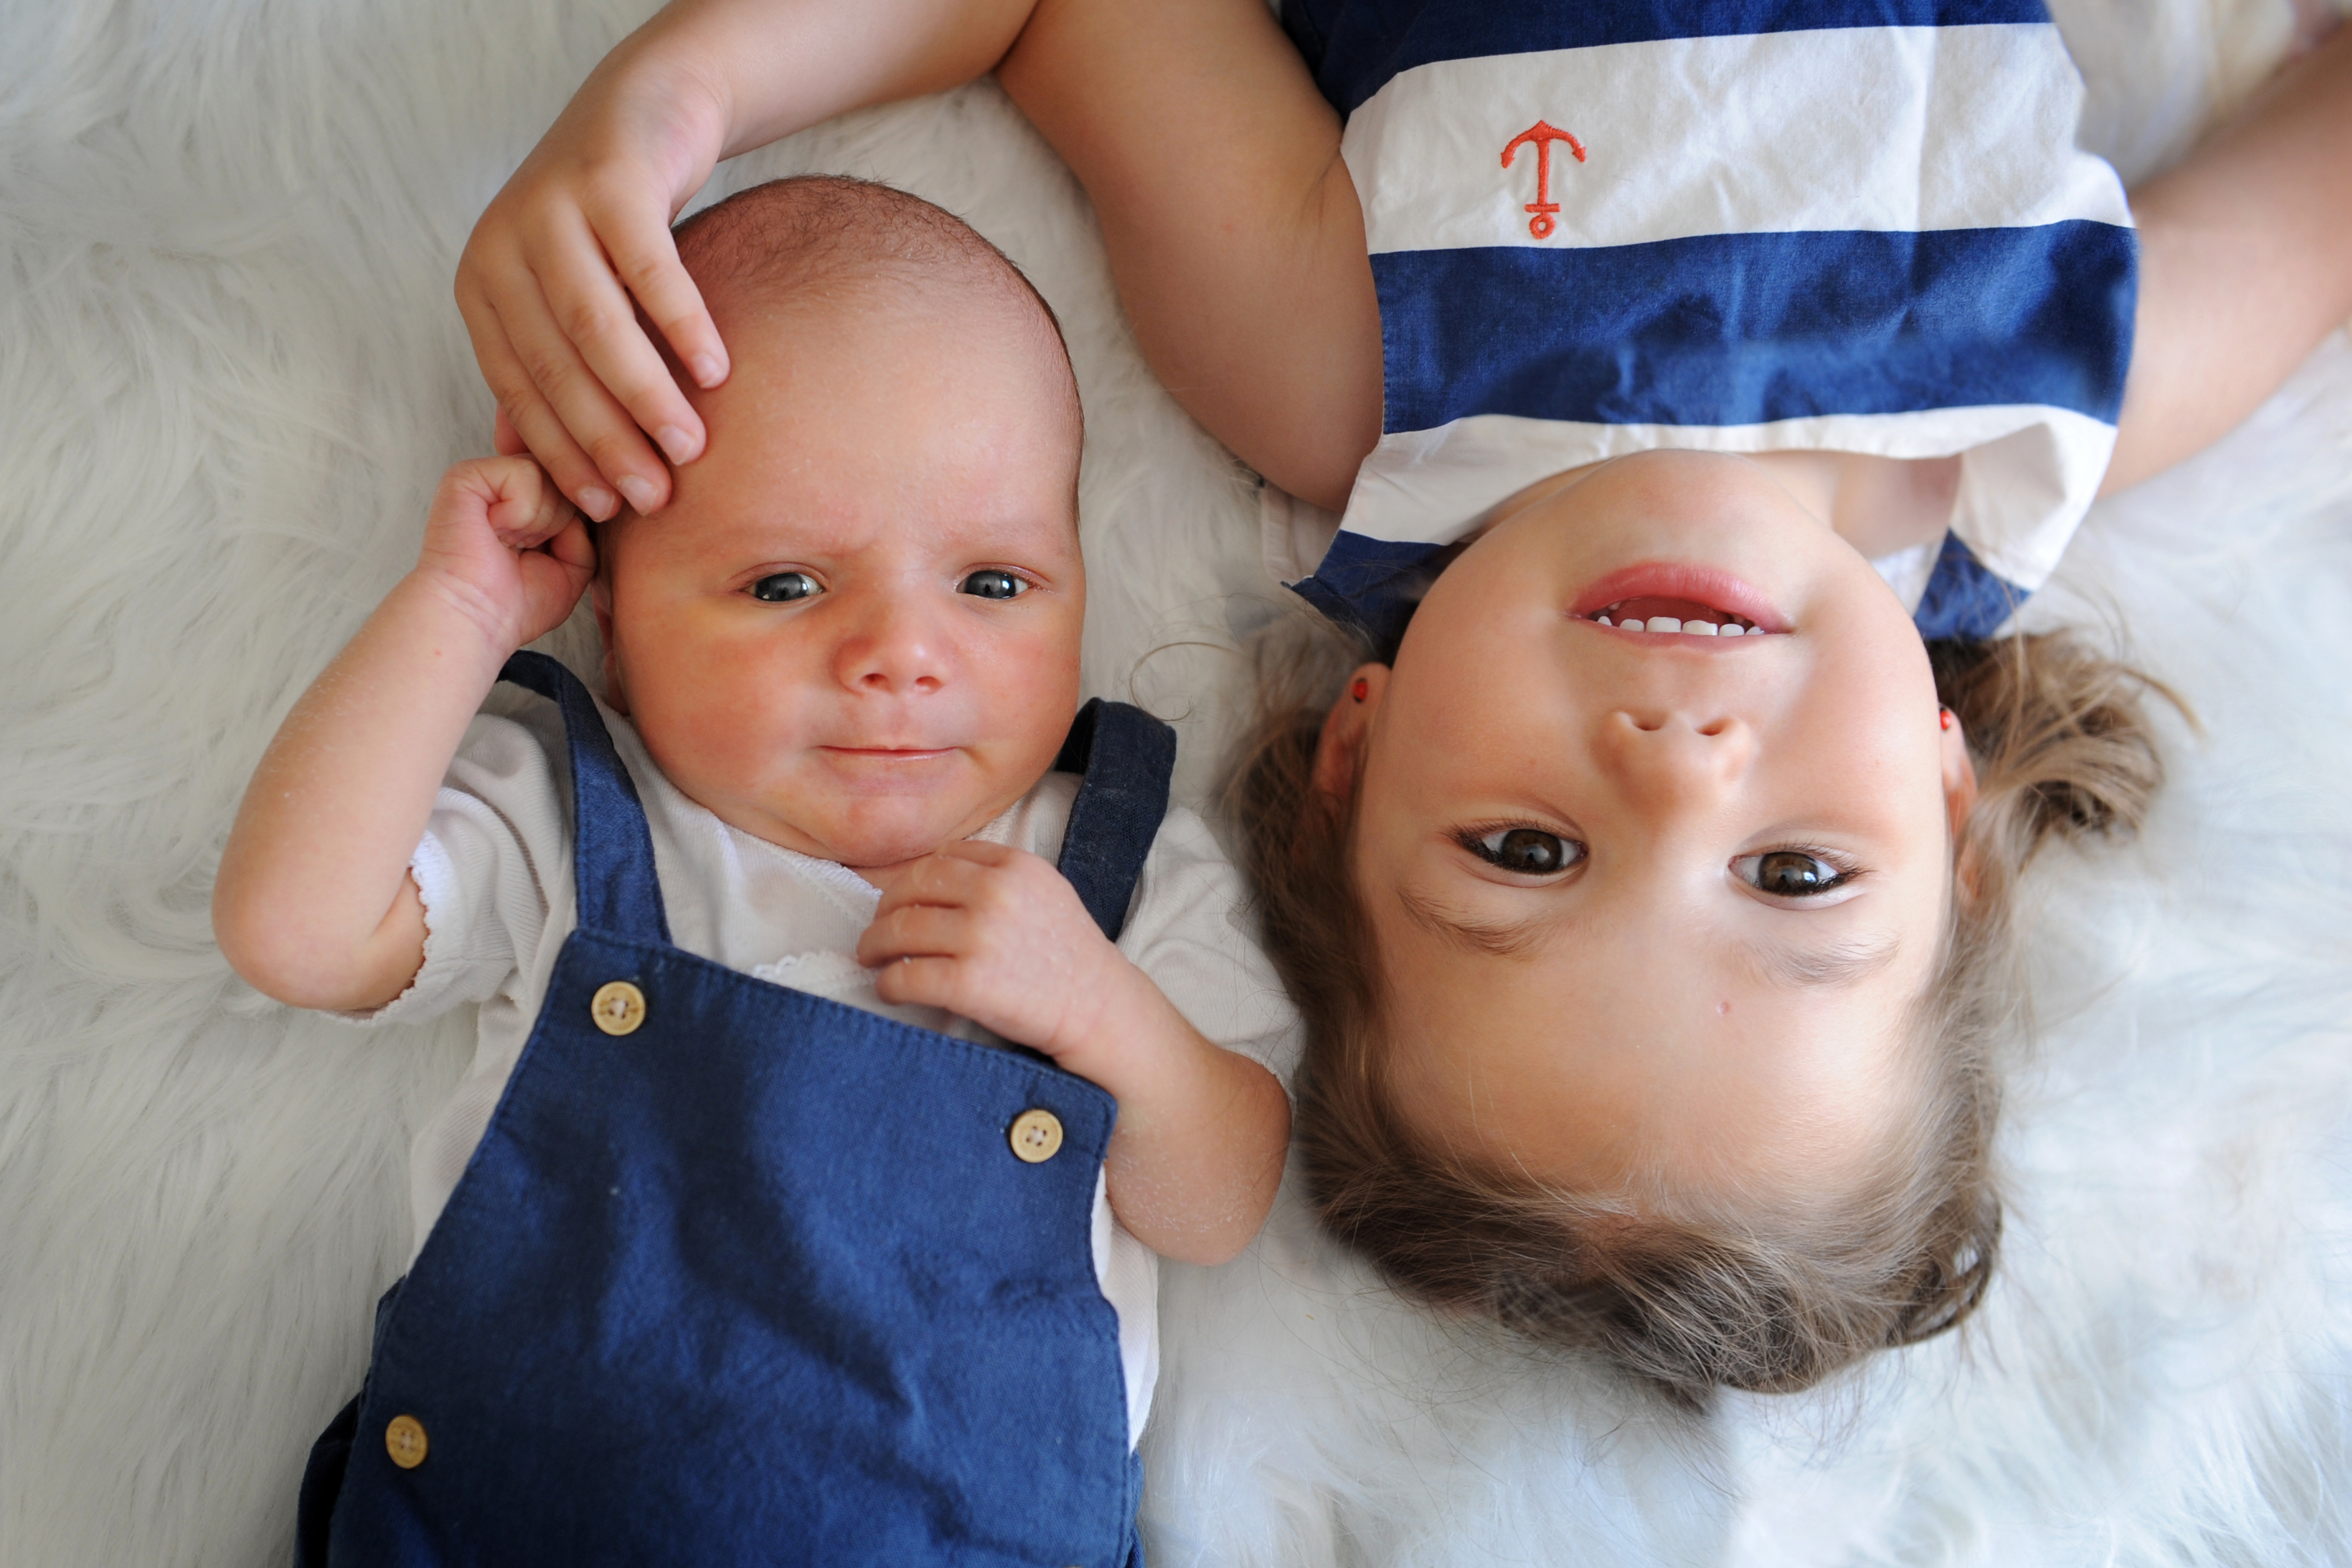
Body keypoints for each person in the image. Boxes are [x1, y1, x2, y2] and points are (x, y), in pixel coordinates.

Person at [450, 0, 2352, 1397]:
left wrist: (672, 102)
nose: (1679, 771)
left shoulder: (1346, 369)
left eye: (1524, 852)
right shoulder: (2045, 407)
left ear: (1354, 757)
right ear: (1946, 805)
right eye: (1793, 878)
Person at [212, 175, 1292, 1563]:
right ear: (613, 613)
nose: (901, 655)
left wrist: (1101, 1013)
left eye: (992, 583)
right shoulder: (575, 819)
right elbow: (297, 936)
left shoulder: (1114, 872)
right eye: (785, 584)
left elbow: (1218, 1205)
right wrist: (462, 611)